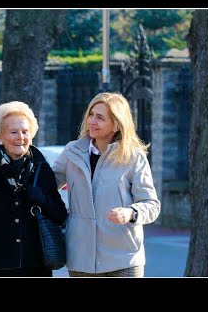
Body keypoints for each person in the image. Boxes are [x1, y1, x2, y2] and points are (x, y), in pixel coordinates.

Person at [52, 92, 161, 277]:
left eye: (100, 118)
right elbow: (47, 185)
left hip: (124, 260)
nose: (92, 121)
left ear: (117, 124)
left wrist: (131, 213)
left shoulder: (133, 157)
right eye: (91, 115)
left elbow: (152, 205)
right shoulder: (72, 151)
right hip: (81, 259)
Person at [0, 101, 67, 277]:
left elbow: (60, 215)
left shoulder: (42, 169)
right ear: (0, 136)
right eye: (13, 132)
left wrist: (41, 198)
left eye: (25, 132)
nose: (20, 137)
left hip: (36, 265)